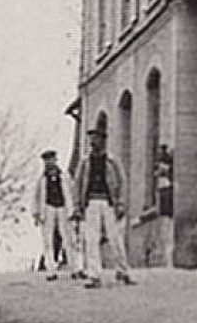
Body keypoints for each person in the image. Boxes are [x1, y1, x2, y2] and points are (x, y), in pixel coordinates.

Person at [72, 123, 135, 288]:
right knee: (91, 240)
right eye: (92, 138)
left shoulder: (113, 161)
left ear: (103, 140)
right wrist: (77, 206)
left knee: (115, 238)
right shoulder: (85, 163)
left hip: (109, 204)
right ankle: (94, 275)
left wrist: (121, 203)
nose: (94, 142)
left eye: (97, 138)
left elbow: (122, 182)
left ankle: (123, 271)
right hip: (91, 203)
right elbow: (77, 185)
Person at [31, 150, 78, 280]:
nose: (49, 163)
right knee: (48, 240)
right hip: (48, 208)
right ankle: (51, 269)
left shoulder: (65, 177)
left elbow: (72, 193)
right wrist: (36, 213)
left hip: (63, 208)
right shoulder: (41, 180)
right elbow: (36, 197)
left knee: (69, 238)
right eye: (47, 161)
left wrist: (74, 209)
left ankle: (75, 268)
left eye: (51, 160)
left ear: (56, 160)